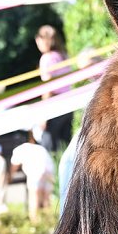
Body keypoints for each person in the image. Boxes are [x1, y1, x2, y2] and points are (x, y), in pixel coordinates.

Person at [34, 24, 75, 152]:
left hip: (55, 106)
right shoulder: (63, 55)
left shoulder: (46, 59)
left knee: (49, 148)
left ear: (45, 40)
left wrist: (43, 115)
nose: (37, 43)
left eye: (38, 39)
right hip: (69, 104)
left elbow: (48, 88)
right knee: (66, 147)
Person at [8, 138, 55, 222]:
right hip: (49, 170)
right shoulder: (38, 147)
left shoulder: (18, 150)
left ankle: (34, 222)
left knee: (34, 198)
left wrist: (9, 178)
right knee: (46, 198)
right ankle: (48, 221)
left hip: (35, 171)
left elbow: (14, 166)